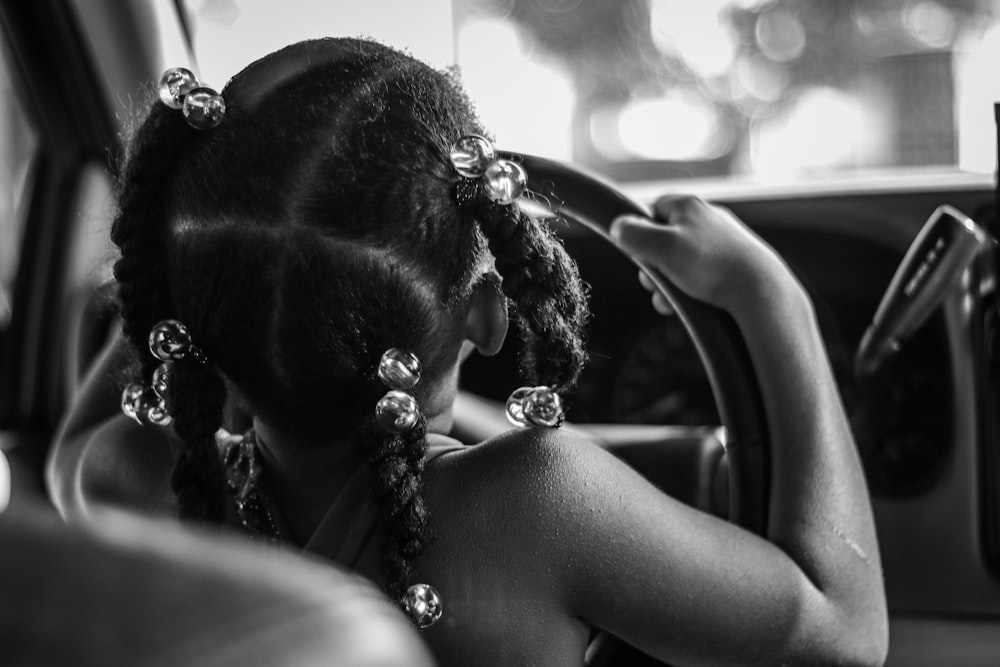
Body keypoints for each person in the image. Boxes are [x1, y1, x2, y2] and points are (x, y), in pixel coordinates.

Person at [48, 37, 888, 666]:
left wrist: (178, 281)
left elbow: (72, 449)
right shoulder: (536, 498)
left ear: (191, 334)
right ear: (489, 317)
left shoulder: (133, 479)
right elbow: (843, 633)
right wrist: (775, 301)